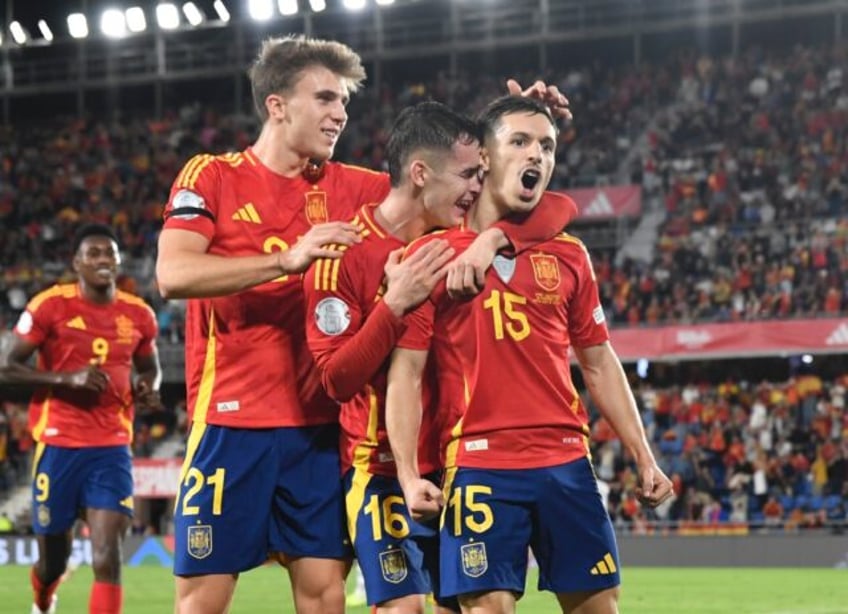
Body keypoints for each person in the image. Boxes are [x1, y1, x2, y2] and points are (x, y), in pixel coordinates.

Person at [156, 32, 572, 614]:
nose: (340, 113)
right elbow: (172, 274)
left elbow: (481, 191)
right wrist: (286, 259)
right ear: (277, 106)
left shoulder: (358, 187)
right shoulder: (213, 176)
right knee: (202, 601)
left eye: (344, 101)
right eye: (325, 98)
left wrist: (511, 142)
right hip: (233, 420)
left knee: (325, 599)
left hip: (322, 433)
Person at [387, 96, 674, 614]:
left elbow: (599, 362)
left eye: (546, 146)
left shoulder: (569, 255)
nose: (535, 155)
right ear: (486, 161)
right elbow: (405, 374)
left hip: (567, 460)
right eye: (519, 142)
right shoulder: (428, 258)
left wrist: (643, 456)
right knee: (488, 607)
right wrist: (408, 474)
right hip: (478, 463)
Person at [303, 101, 578, 612]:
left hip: (455, 469)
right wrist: (392, 305)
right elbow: (335, 382)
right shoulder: (344, 253)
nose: (478, 186)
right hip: (381, 468)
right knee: (404, 607)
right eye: (469, 175)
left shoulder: (455, 237)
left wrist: (495, 234)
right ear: (421, 174)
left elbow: (558, 206)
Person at [0, 223, 161, 614]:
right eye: (94, 254)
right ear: (76, 263)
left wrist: (148, 386)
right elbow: (7, 367)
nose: (104, 260)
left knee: (107, 556)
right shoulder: (49, 306)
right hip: (59, 446)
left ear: (120, 261)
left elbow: (150, 367)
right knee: (52, 559)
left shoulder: (138, 314)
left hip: (111, 448)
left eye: (110, 253)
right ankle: (43, 596)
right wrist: (64, 378)